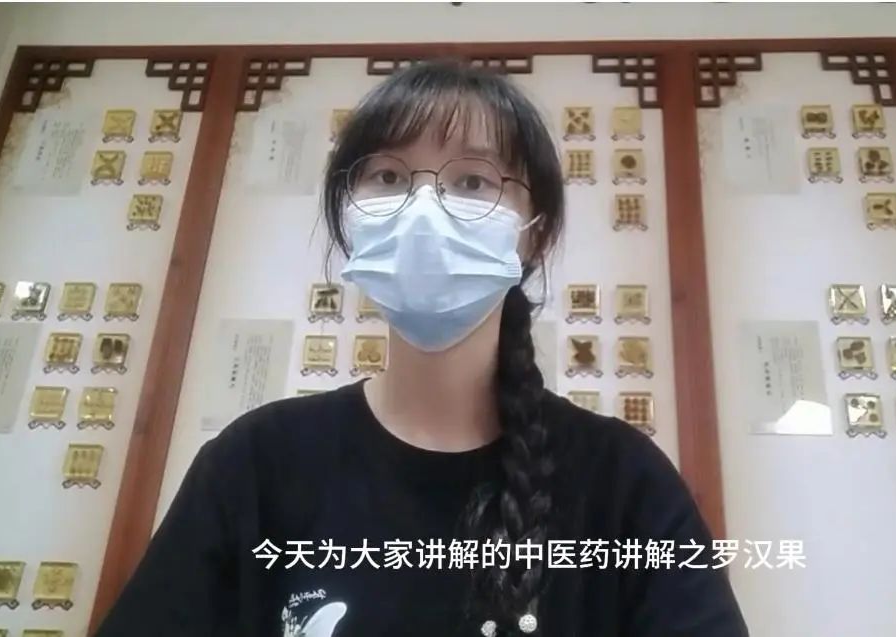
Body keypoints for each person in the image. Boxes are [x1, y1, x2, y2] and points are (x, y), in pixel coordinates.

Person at [95, 60, 748, 637]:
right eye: (388, 175)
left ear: (536, 233)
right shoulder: (255, 463)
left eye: (473, 181)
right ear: (348, 217)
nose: (424, 210)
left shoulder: (625, 482)